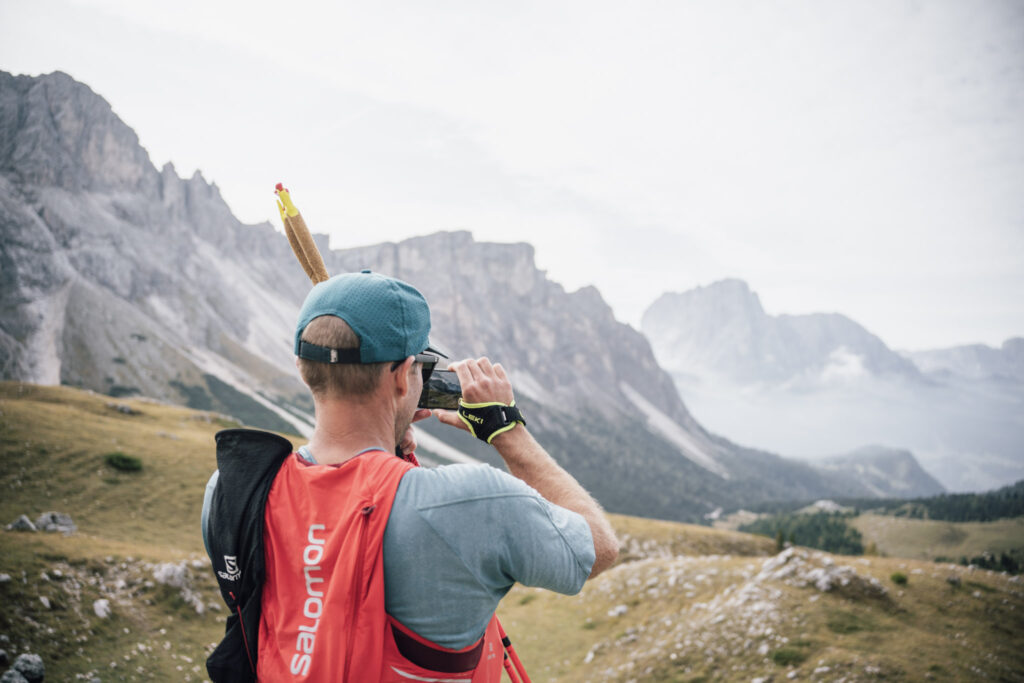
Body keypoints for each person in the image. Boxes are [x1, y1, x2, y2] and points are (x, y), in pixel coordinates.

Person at [201, 270, 618, 681]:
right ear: (403, 375)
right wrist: (506, 428)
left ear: (301, 366)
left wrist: (390, 451)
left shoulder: (232, 492)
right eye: (423, 367)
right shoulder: (473, 501)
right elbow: (597, 547)